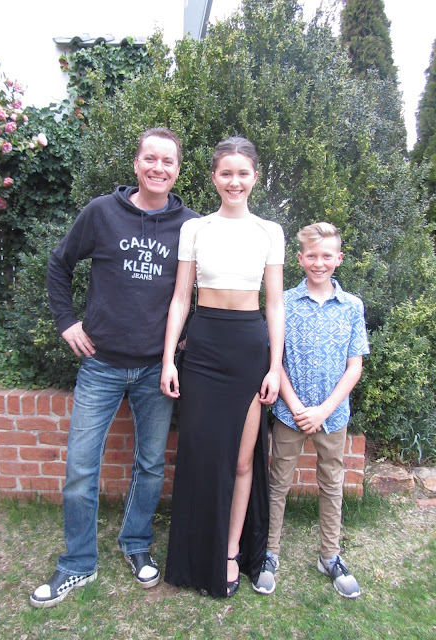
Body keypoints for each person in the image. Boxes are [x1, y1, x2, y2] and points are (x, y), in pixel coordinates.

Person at [29, 127, 200, 609]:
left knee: (150, 464)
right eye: (151, 159)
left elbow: (206, 287)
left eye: (168, 161)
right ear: (136, 163)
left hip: (156, 370)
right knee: (81, 468)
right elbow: (59, 264)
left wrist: (188, 335)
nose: (158, 168)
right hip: (100, 364)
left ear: (178, 170)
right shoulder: (102, 212)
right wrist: (66, 322)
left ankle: (136, 542)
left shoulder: (191, 226)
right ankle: (78, 563)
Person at [160, 137, 285, 598]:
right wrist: (169, 358)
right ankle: (196, 553)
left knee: (242, 459)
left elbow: (275, 304)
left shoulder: (270, 231)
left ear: (255, 177)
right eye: (226, 173)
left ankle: (231, 550)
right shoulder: (195, 229)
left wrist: (274, 367)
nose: (235, 181)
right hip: (204, 347)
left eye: (243, 173)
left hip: (249, 350)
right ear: (213, 177)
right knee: (199, 454)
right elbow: (180, 298)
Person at [263, 222, 370, 598]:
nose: (319, 263)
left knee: (332, 483)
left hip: (333, 415)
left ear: (338, 258)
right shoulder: (284, 303)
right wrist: (295, 405)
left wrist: (324, 410)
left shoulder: (352, 307)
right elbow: (276, 361)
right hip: (289, 412)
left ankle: (330, 555)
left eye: (326, 256)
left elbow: (354, 367)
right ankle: (269, 552)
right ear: (300, 258)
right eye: (312, 255)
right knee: (278, 482)